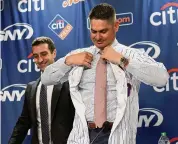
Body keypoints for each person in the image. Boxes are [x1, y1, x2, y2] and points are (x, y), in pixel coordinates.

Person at [41, 3, 169, 144]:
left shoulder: (130, 54)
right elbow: (46, 78)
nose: (97, 37)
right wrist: (68, 61)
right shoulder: (79, 56)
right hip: (82, 135)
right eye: (93, 31)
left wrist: (122, 60)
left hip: (118, 135)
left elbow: (162, 78)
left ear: (116, 26)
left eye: (103, 31)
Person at [8, 37, 75, 144]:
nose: (40, 60)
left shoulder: (69, 83)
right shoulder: (31, 88)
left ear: (54, 53)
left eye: (44, 54)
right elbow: (24, 122)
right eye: (36, 56)